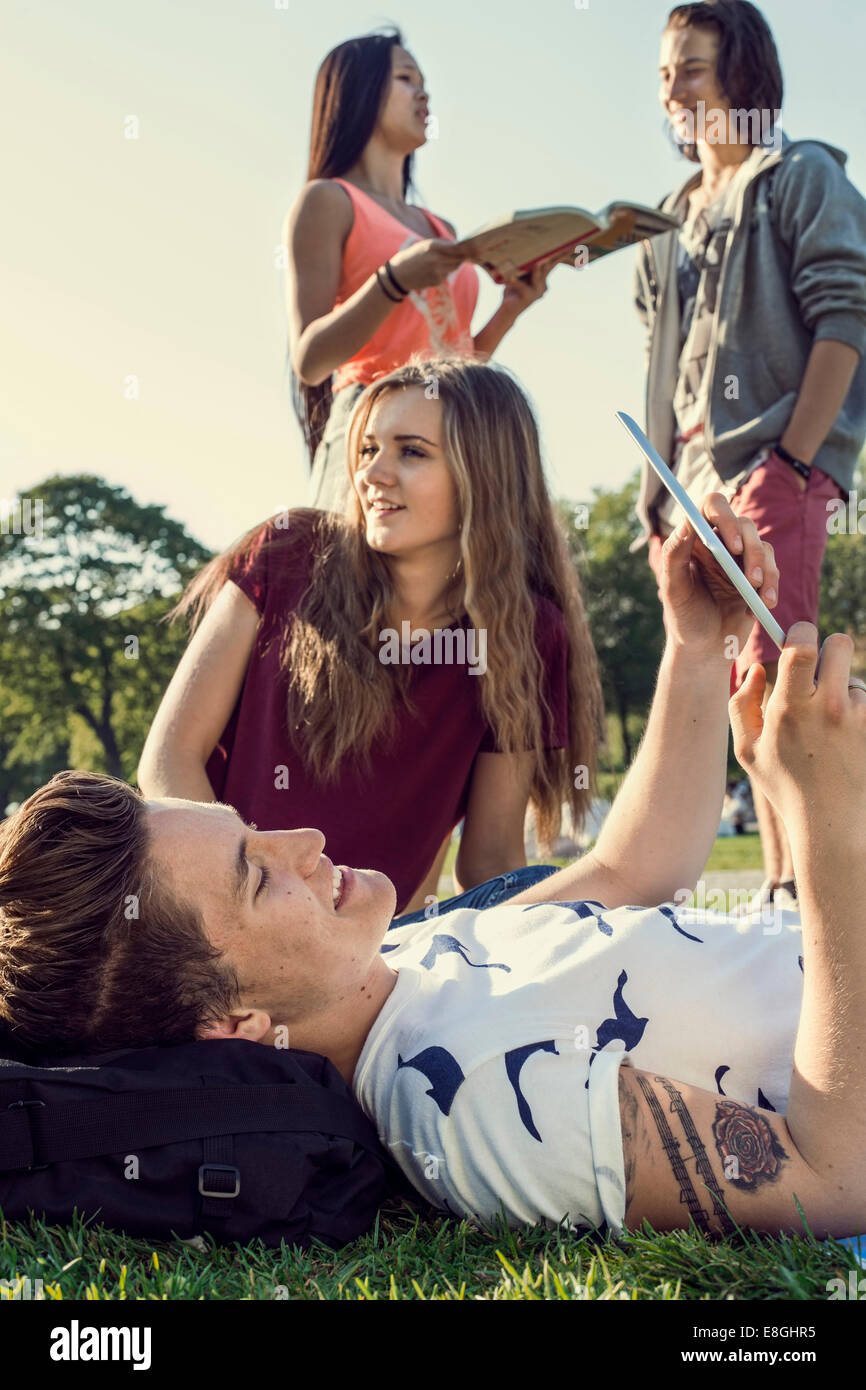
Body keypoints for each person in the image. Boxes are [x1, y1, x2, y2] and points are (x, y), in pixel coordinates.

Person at [6, 496, 866, 1241]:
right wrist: (827, 823)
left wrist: (696, 636)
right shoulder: (467, 1103)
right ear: (235, 1022)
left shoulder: (403, 960)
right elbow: (833, 1180)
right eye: (257, 876)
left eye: (254, 831)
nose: (303, 842)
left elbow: (637, 870)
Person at [137, 357, 604, 917]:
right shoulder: (287, 553)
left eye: (412, 451)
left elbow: (488, 864)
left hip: (372, 953)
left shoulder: (529, 633)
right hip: (225, 916)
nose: (372, 474)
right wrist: (250, 900)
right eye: (367, 450)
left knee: (555, 898)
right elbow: (168, 761)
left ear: (487, 473)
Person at [633, 0, 866, 912]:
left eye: (692, 67)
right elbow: (663, 363)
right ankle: (773, 887)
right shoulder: (666, 219)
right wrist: (657, 493)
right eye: (664, 74)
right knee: (718, 682)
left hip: (772, 461)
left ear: (744, 74)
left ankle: (799, 886)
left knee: (777, 676)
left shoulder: (800, 176)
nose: (674, 88)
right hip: (689, 483)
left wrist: (795, 461)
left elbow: (847, 317)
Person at [285, 27, 568, 513]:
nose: (424, 92)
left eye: (423, 81)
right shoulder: (328, 201)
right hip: (371, 435)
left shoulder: (439, 227)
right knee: (352, 587)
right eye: (405, 78)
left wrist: (511, 311)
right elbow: (310, 358)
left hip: (451, 429)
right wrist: (393, 281)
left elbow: (452, 359)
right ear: (360, 91)